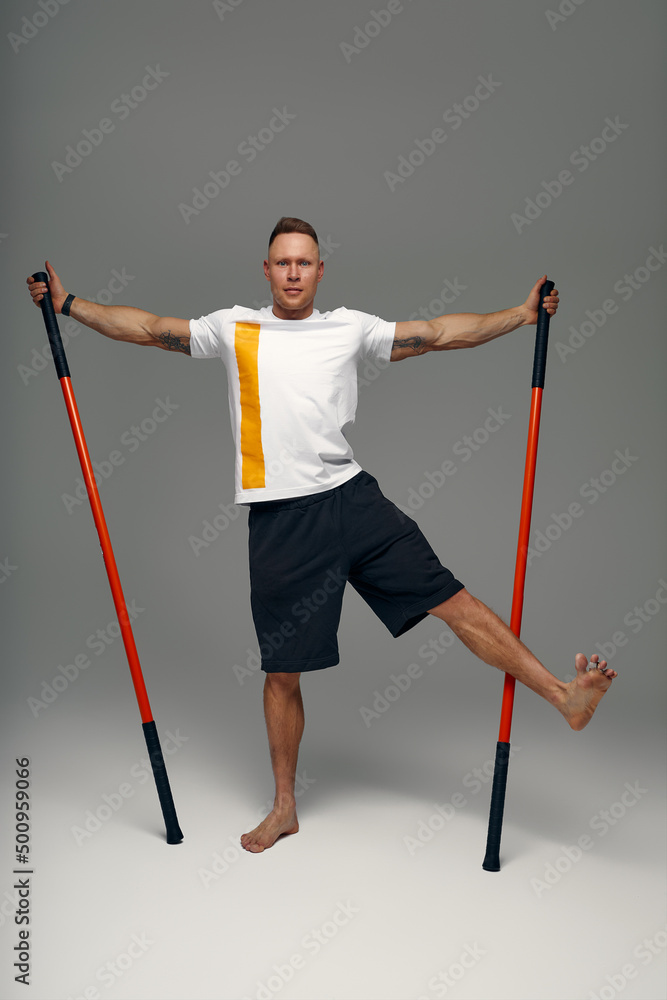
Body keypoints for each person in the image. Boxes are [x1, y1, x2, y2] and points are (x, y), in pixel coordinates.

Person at [27, 217, 617, 854]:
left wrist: (522, 316)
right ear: (266, 269)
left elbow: (439, 333)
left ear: (320, 270)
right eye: (282, 263)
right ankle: (284, 806)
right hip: (281, 521)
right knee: (283, 673)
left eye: (303, 263)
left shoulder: (349, 327)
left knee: (457, 603)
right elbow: (148, 328)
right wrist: (67, 304)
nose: (292, 274)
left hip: (353, 503)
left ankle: (564, 696)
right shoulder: (234, 327)